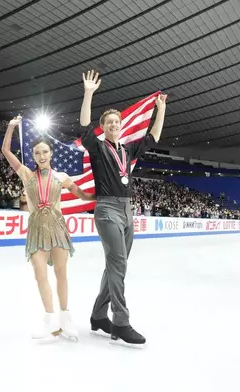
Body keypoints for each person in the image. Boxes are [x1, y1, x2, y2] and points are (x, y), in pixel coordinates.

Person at [79, 70, 167, 347]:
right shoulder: (97, 147)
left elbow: (153, 136)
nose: (114, 125)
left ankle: (97, 316)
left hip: (128, 209)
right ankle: (120, 321)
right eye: (109, 122)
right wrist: (89, 93)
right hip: (106, 209)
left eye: (117, 122)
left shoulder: (127, 150)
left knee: (115, 266)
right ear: (103, 127)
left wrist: (160, 109)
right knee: (118, 264)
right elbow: (83, 125)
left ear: (121, 126)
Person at [1, 115, 95, 341]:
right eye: (37, 153)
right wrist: (11, 127)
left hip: (57, 227)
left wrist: (96, 197)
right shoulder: (25, 174)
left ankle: (65, 318)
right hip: (36, 228)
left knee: (61, 274)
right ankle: (50, 320)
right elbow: (6, 151)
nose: (41, 156)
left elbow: (80, 194)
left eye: (45, 151)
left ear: (51, 154)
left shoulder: (61, 177)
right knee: (39, 274)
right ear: (33, 156)